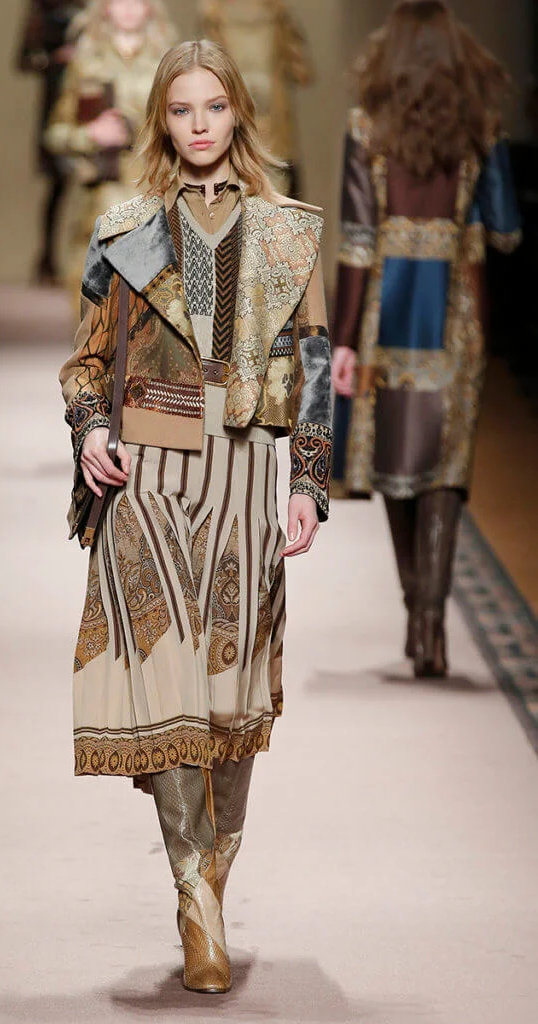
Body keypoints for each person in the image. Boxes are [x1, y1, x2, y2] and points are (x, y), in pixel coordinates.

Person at [60, 39, 332, 992]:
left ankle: (215, 871)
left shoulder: (288, 231)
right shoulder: (124, 229)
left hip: (244, 471)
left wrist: (306, 483)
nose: (200, 124)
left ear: (238, 112)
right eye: (182, 110)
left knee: (230, 690)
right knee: (168, 678)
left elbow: (313, 368)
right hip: (148, 472)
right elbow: (85, 363)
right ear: (162, 121)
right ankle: (191, 894)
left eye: (214, 106)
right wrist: (92, 430)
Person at [331, 0, 522, 678]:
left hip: (386, 311)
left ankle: (415, 609)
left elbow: (357, 241)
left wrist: (342, 338)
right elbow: (506, 230)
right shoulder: (481, 130)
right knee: (445, 464)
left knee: (394, 460)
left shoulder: (366, 127)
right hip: (457, 313)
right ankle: (433, 619)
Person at [44, 0, 177, 314]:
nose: (128, 7)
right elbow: (55, 134)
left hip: (155, 195)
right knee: (96, 314)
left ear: (151, 7)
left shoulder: (169, 62)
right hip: (99, 199)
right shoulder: (85, 62)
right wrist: (91, 135)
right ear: (104, 7)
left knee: (154, 312)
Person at [198, 0, 313, 197]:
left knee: (273, 189)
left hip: (272, 124)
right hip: (236, 123)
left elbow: (302, 72)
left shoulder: (278, 15)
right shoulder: (214, 16)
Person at [17, 1, 85, 284]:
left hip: (89, 101)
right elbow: (24, 60)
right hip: (56, 103)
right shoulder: (42, 8)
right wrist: (56, 59)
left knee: (98, 184)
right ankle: (48, 258)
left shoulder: (90, 7)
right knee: (58, 184)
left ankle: (91, 259)